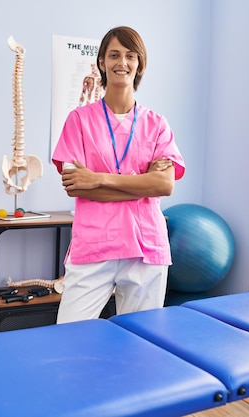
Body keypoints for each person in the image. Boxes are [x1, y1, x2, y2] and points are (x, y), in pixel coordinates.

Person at [52, 26, 186, 324]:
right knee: (69, 338)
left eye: (129, 55)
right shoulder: (79, 121)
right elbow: (76, 186)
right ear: (102, 62)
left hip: (145, 247)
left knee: (141, 343)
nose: (121, 62)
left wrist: (99, 178)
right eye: (113, 55)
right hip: (94, 245)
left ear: (139, 64)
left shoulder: (156, 124)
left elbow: (164, 184)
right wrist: (142, 185)